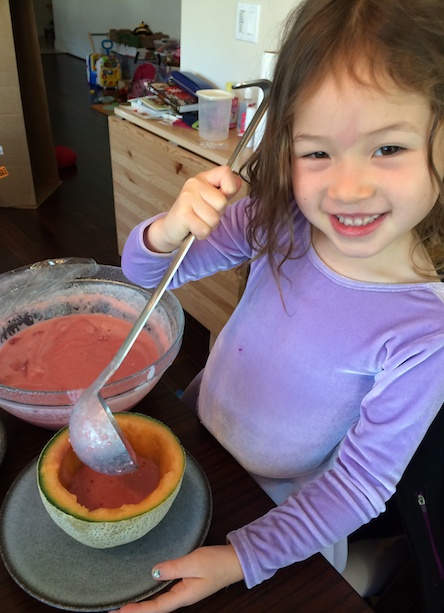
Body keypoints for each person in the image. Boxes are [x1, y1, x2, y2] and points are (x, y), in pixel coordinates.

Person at [112, 0, 444, 610]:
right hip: (202, 436)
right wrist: (167, 230)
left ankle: (375, 563)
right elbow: (143, 276)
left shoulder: (426, 333)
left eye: (388, 148)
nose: (349, 189)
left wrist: (242, 557)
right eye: (316, 152)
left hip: (285, 513)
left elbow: (362, 484)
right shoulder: (277, 219)